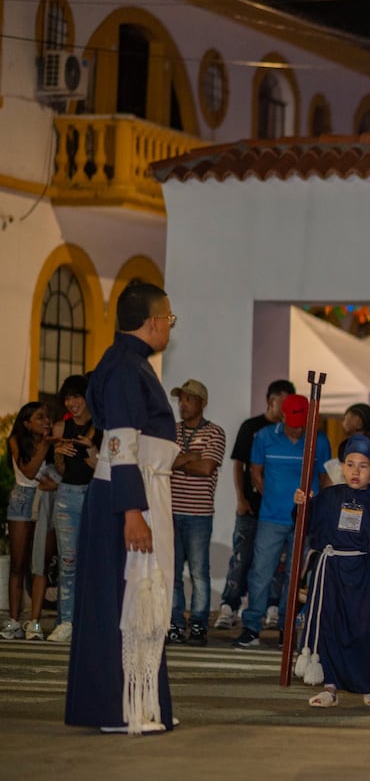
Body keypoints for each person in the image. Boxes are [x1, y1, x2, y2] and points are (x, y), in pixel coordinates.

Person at [65, 281, 179, 734]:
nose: (170, 326)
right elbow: (122, 442)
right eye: (169, 319)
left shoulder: (119, 362)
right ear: (153, 322)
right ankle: (121, 707)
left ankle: (142, 699)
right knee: (131, 599)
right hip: (128, 494)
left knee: (132, 598)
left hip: (128, 489)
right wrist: (133, 510)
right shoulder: (128, 367)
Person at [292, 433, 370, 709]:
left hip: (362, 574)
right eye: (350, 464)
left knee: (366, 628)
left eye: (363, 466)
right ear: (341, 467)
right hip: (330, 572)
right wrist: (302, 504)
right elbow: (306, 524)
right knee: (329, 627)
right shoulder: (329, 496)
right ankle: (330, 686)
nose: (355, 471)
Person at [235, 394, 329, 648]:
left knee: (295, 576)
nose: (298, 428)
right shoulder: (265, 436)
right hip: (271, 518)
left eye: (303, 422)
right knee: (260, 573)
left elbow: (325, 479)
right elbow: (255, 472)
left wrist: (318, 508)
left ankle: (287, 629)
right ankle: (252, 627)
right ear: (283, 416)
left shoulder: (319, 441)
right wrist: (271, 497)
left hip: (306, 520)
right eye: (294, 422)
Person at [214, 379, 295, 631]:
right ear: (271, 401)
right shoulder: (252, 427)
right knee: (242, 556)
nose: (287, 408)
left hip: (281, 512)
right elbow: (240, 464)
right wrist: (241, 498)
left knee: (277, 562)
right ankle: (230, 605)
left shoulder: (291, 432)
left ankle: (272, 607)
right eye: (284, 402)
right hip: (252, 507)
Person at [166, 379, 226, 648]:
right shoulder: (170, 431)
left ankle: (199, 624)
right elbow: (165, 462)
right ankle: (175, 624)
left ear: (203, 402)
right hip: (170, 510)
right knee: (173, 571)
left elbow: (206, 469)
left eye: (189, 399)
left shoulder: (215, 432)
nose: (183, 404)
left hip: (199, 513)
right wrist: (191, 456)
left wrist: (180, 460)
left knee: (199, 572)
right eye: (181, 399)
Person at [47, 375, 100, 643]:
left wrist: (91, 451)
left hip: (94, 496)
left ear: (87, 396)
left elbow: (103, 469)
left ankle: (88, 621)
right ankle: (66, 621)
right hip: (67, 496)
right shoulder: (60, 428)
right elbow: (60, 472)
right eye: (67, 398)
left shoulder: (102, 427)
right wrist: (59, 453)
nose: (72, 403)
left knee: (93, 562)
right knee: (68, 561)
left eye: (76, 396)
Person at [4, 402, 59, 641]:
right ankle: (14, 621)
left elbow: (63, 472)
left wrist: (51, 446)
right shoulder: (16, 440)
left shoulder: (53, 443)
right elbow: (28, 471)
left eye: (46, 417)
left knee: (41, 565)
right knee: (18, 564)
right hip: (21, 500)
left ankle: (34, 623)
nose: (46, 421)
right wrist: (45, 445)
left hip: (45, 500)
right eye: (39, 418)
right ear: (27, 423)